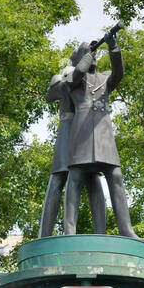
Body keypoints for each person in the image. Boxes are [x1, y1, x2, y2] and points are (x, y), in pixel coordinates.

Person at [62, 25, 137, 238]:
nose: (92, 56)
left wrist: (112, 46)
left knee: (116, 176)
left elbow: (119, 72)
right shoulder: (71, 79)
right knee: (75, 178)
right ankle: (69, 231)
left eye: (93, 53)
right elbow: (76, 74)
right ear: (80, 58)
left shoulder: (104, 78)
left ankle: (126, 229)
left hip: (104, 136)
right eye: (86, 53)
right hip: (81, 135)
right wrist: (89, 52)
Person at [39, 60, 107, 237]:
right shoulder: (69, 75)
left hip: (85, 132)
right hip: (68, 129)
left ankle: (101, 233)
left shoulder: (91, 80)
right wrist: (65, 79)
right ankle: (45, 236)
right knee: (58, 178)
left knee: (92, 176)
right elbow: (50, 95)